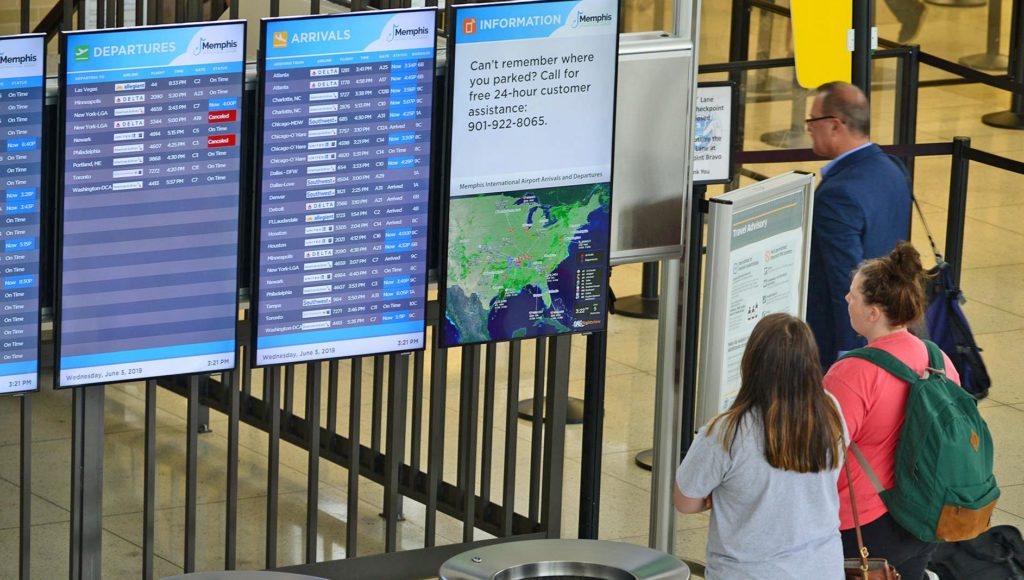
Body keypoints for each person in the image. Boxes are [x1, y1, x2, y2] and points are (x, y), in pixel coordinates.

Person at [675, 313, 847, 579]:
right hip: (822, 568)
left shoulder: (727, 431)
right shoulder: (830, 410)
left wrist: (723, 496)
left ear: (752, 364)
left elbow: (685, 501)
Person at [825, 242, 960, 580]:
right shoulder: (937, 361)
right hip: (924, 515)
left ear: (873, 313)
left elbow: (822, 456)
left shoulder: (851, 373)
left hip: (863, 528)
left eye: (853, 294)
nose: (846, 299)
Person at [806, 81, 912, 369]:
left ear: (835, 125)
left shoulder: (836, 195)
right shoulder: (892, 168)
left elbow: (844, 281)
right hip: (890, 327)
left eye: (813, 120)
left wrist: (848, 355)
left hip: (845, 340)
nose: (808, 127)